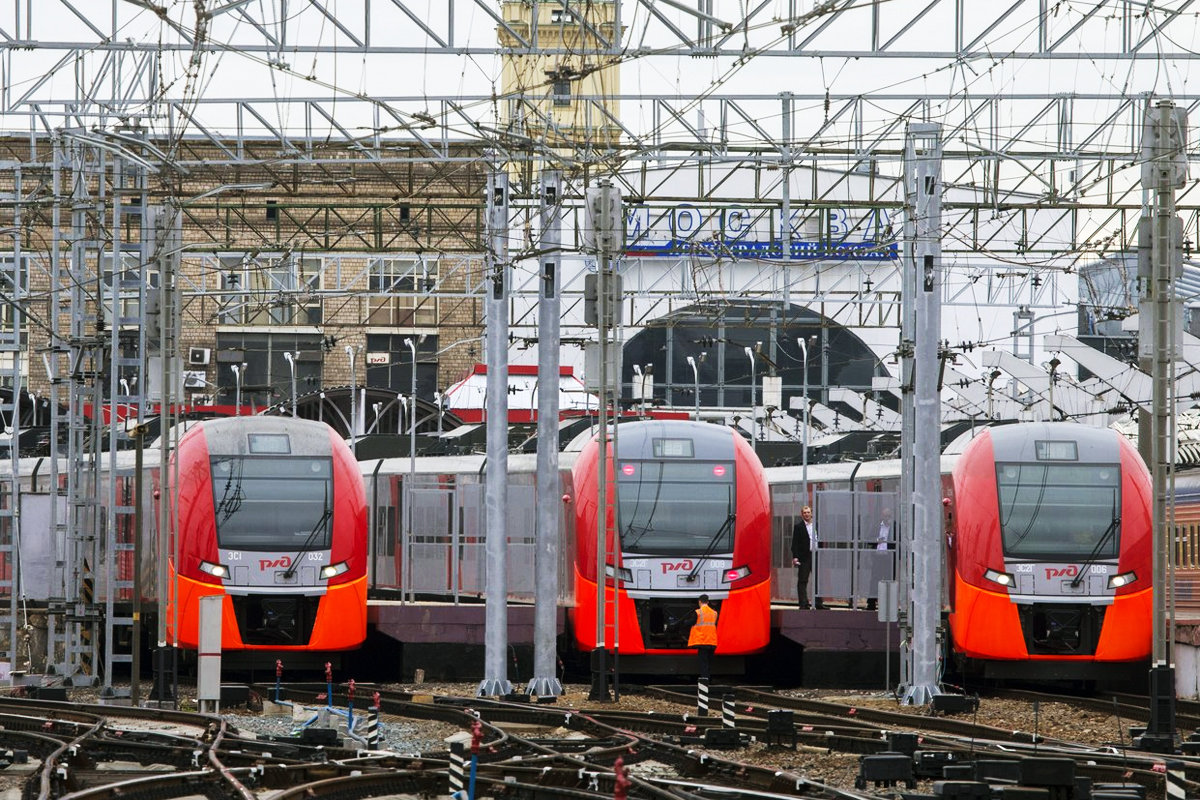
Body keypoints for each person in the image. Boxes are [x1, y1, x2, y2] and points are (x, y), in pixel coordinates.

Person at [687, 594, 718, 679]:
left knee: (703, 663)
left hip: (702, 641)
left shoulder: (698, 612)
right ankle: (709, 680)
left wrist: (684, 622)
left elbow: (691, 622)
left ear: (699, 602)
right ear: (708, 602)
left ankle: (705, 681)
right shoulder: (714, 613)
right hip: (712, 641)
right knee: (709, 662)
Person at [791, 505, 816, 609]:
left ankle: (818, 603)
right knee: (802, 580)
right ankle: (803, 603)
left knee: (818, 580)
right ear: (802, 515)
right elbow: (795, 543)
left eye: (808, 512)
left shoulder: (816, 525)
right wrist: (795, 557)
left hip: (816, 556)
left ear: (811, 513)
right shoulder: (798, 527)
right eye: (804, 513)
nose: (806, 514)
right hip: (804, 557)